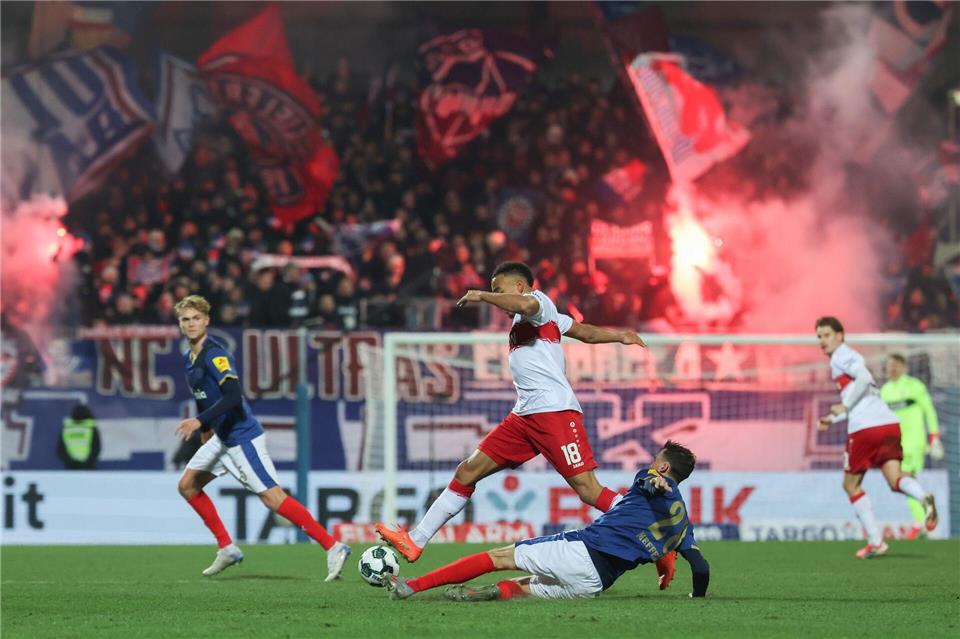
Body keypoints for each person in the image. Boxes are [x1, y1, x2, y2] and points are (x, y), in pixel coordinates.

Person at [376, 261, 660, 566]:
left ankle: (657, 542)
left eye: (500, 289)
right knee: (467, 471)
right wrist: (619, 336)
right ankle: (415, 540)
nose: (498, 298)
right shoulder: (542, 319)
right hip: (524, 415)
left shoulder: (537, 304)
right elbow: (584, 332)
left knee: (589, 490)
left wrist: (483, 295)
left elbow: (526, 303)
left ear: (520, 286)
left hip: (554, 411)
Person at [385, 441, 709, 601]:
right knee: (529, 587)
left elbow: (650, 483)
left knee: (499, 557)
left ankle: (410, 587)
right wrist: (694, 596)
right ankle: (478, 595)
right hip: (595, 585)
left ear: (664, 469)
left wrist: (655, 482)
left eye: (656, 462)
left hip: (583, 552)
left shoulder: (651, 480)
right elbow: (700, 567)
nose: (652, 465)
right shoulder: (683, 525)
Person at [173, 295, 350, 578]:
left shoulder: (214, 355)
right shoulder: (190, 358)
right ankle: (227, 548)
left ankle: (333, 546)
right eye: (185, 319)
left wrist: (198, 421)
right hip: (221, 436)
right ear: (180, 324)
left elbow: (233, 395)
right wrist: (207, 428)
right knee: (188, 485)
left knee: (272, 498)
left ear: (207, 320)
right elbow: (203, 396)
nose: (191, 324)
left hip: (242, 436)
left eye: (196, 318)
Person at [815, 316, 937, 559]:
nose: (822, 341)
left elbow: (860, 379)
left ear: (840, 335)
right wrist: (832, 417)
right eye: (819, 336)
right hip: (888, 424)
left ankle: (875, 541)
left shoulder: (842, 355)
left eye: (827, 335)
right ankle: (924, 497)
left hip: (865, 428)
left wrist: (843, 406)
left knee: (850, 485)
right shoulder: (846, 357)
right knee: (895, 479)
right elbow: (864, 391)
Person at [880, 353, 945, 539]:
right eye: (888, 366)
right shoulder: (885, 390)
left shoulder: (915, 386)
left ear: (903, 367)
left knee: (903, 478)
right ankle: (924, 514)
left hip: (914, 443)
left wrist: (934, 437)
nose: (891, 369)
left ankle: (920, 520)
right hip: (895, 445)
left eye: (895, 365)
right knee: (901, 484)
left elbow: (929, 411)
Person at [56, 404, 101, 470]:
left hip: (70, 468)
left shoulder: (66, 429)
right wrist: (87, 462)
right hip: (88, 468)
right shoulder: (91, 428)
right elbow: (96, 448)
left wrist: (70, 462)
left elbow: (60, 450)